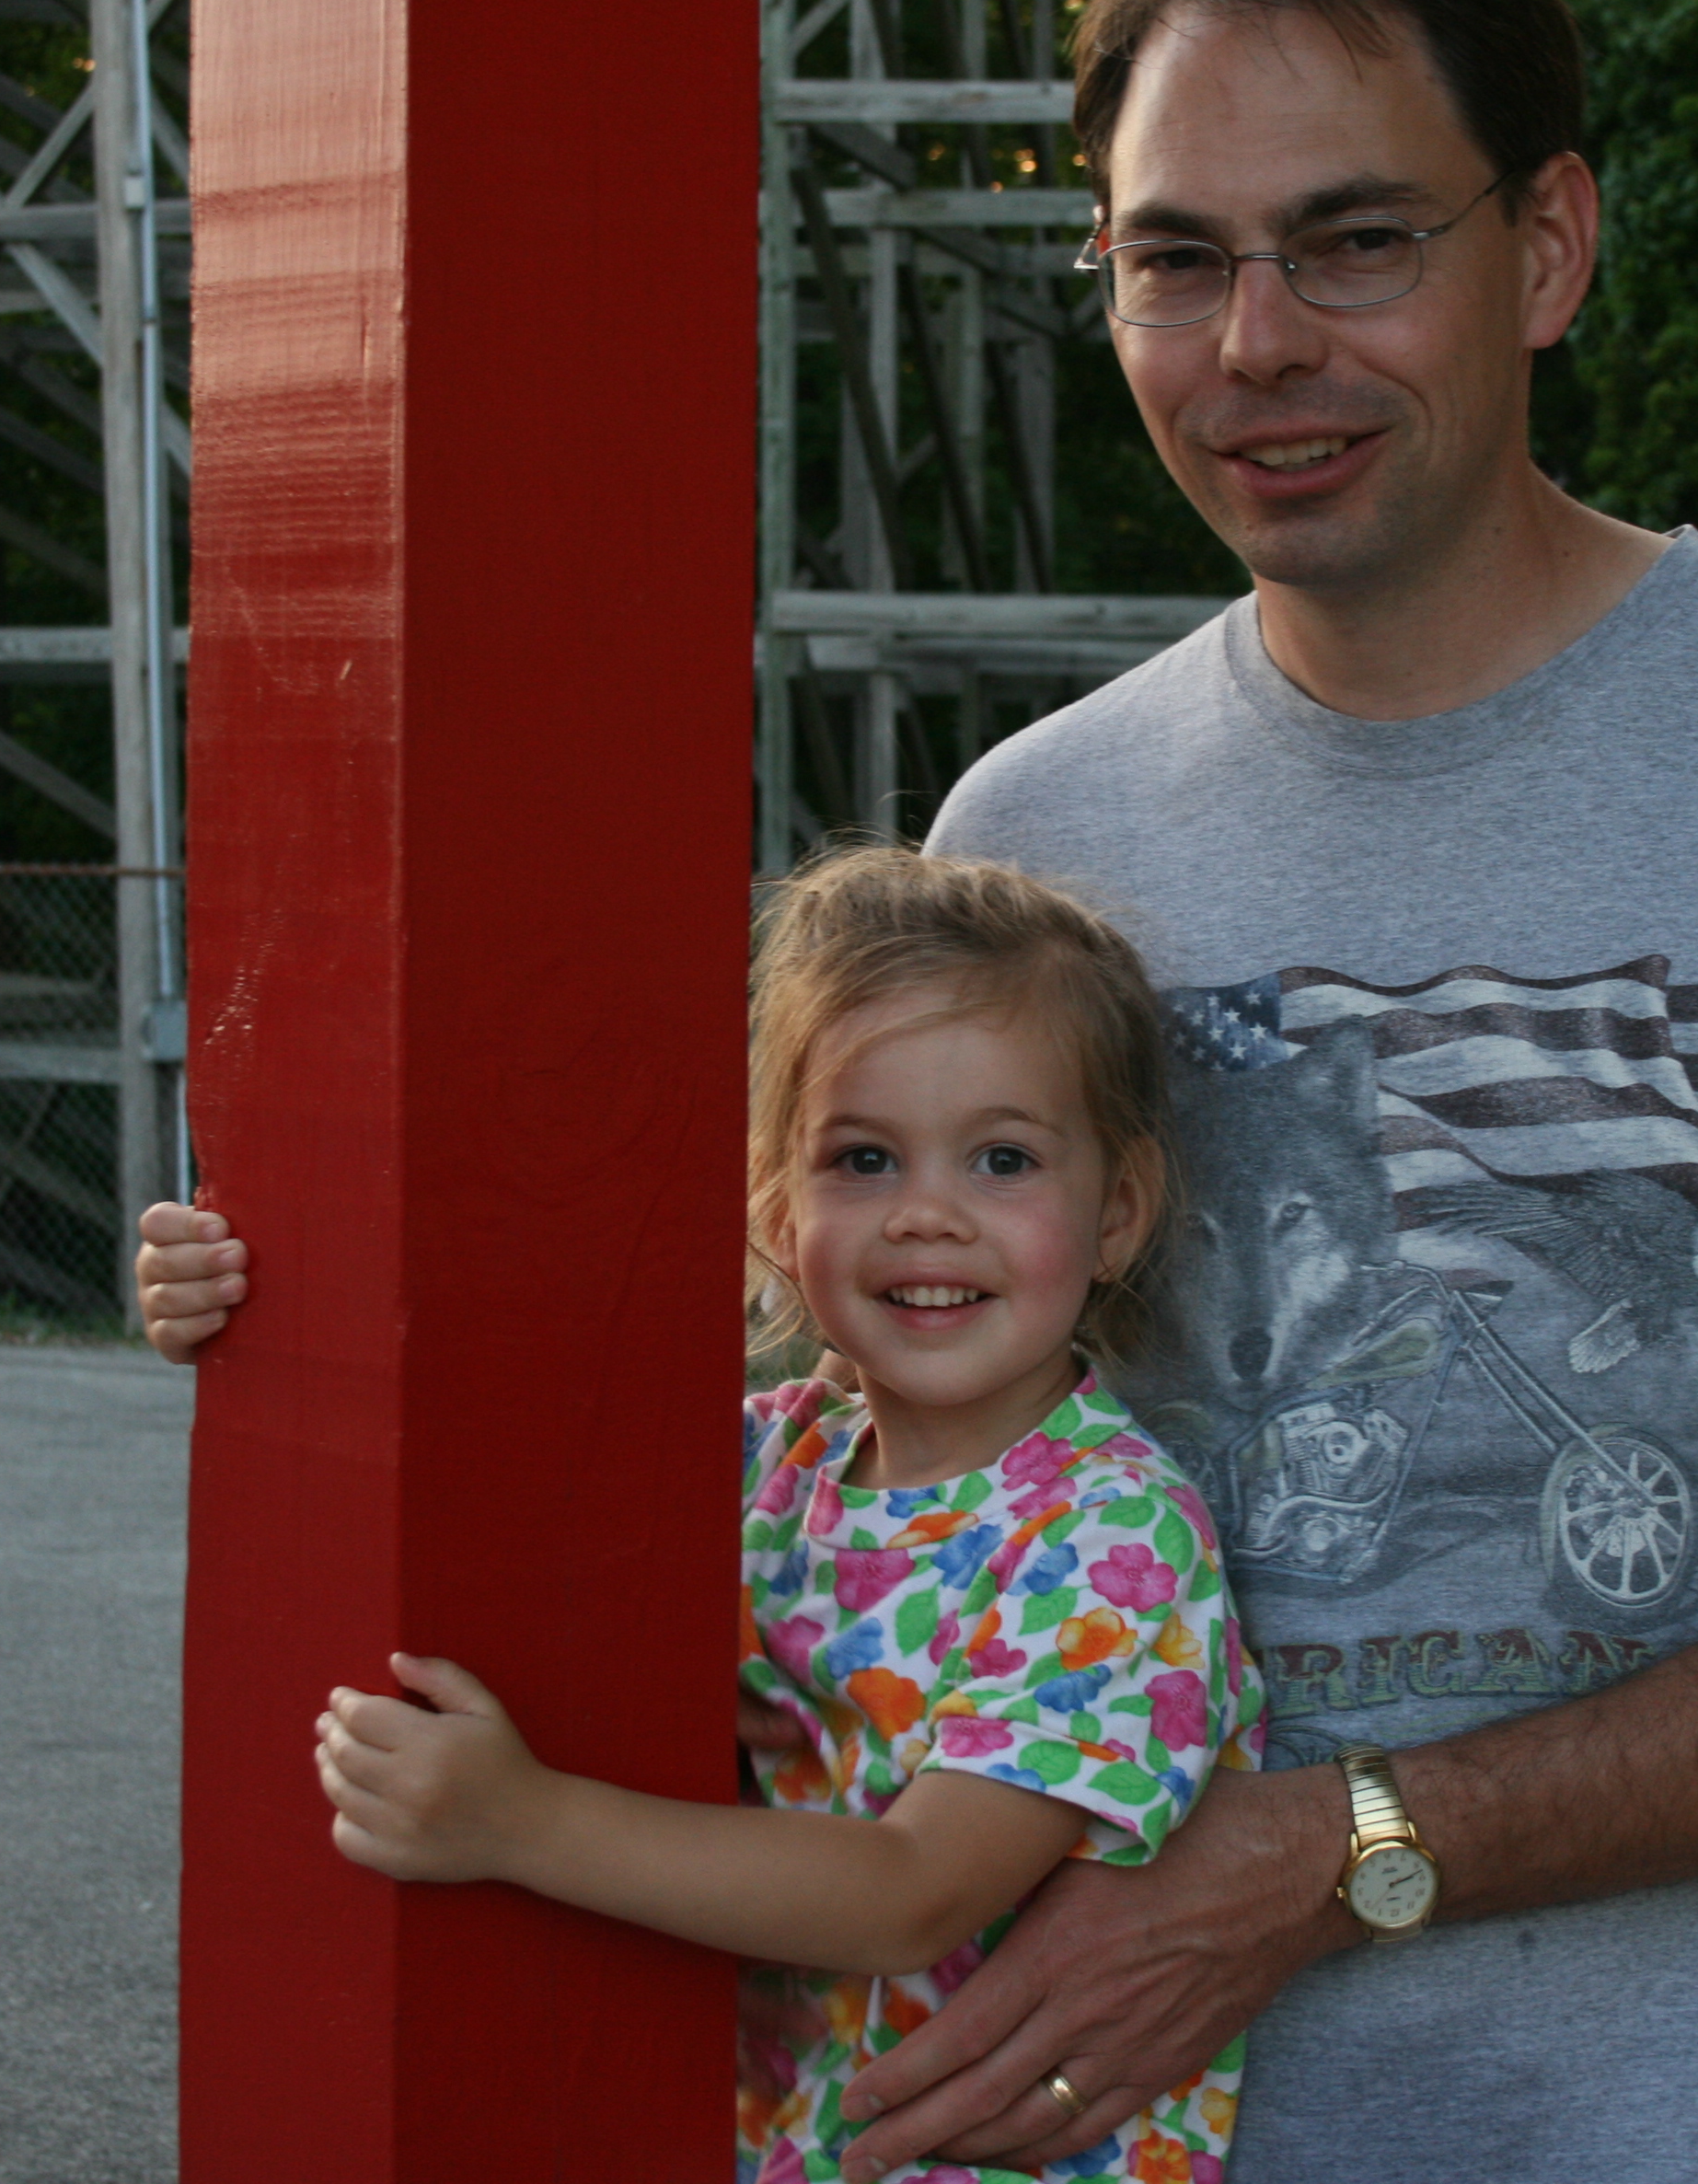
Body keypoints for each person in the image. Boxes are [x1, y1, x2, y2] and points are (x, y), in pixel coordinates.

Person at [150, 0, 1698, 2184]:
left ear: (1550, 247)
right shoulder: (1037, 830)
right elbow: (808, 1403)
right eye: (1175, 259)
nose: (1257, 342)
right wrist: (317, 1307)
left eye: (1355, 241)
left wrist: (1342, 1854)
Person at [307, 845, 1265, 2184]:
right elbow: (481, 1437)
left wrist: (523, 1823)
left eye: (1001, 1160)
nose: (926, 1216)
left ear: (1117, 1212)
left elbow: (911, 1895)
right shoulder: (766, 1459)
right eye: (863, 1159)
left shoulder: (1113, 1539)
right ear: (774, 1206)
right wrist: (251, 1296)